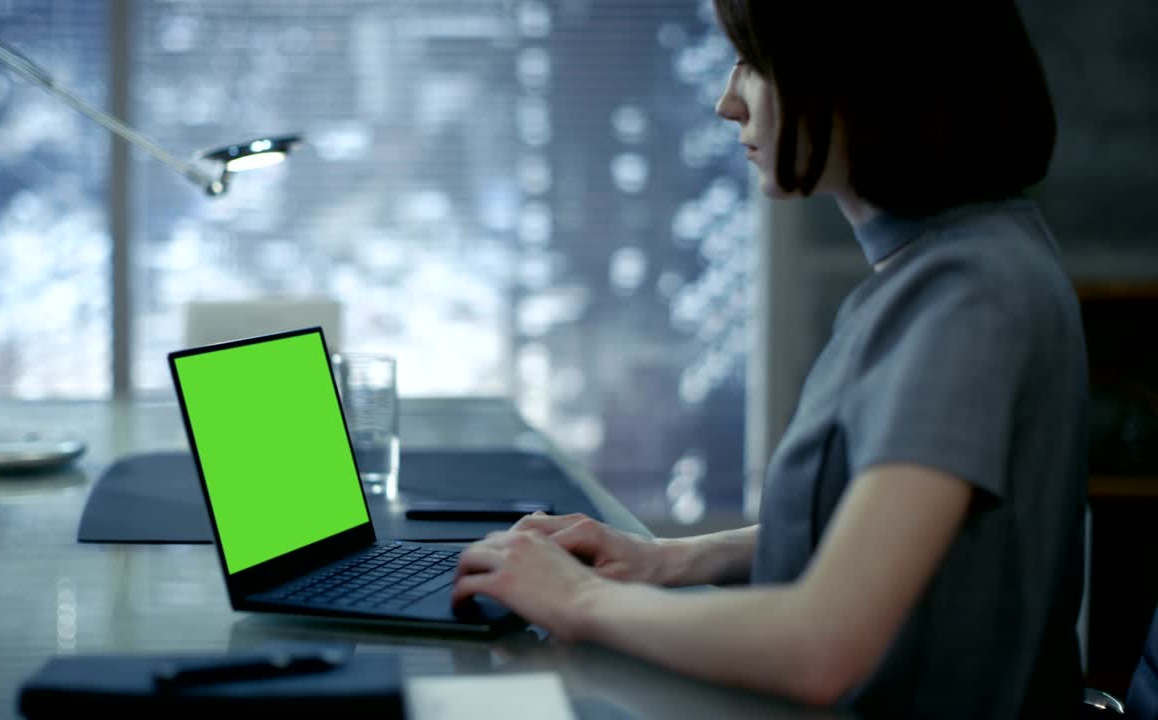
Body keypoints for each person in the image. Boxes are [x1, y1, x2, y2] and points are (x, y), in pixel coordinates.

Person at [451, 1, 1088, 718]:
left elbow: (819, 645)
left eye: (758, 65)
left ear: (870, 76)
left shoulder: (967, 299)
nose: (728, 102)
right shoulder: (964, 262)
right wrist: (672, 560)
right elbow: (881, 534)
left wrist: (576, 598)